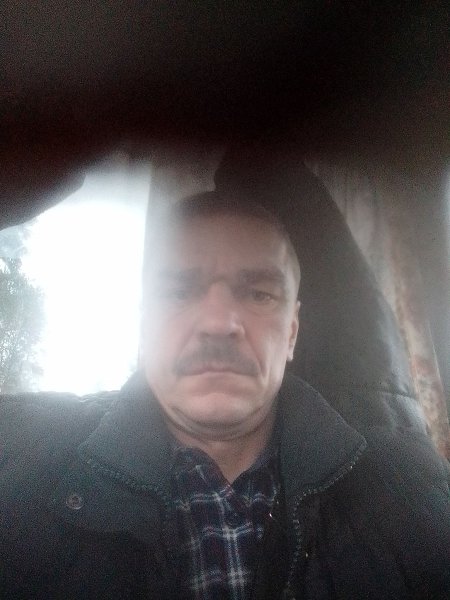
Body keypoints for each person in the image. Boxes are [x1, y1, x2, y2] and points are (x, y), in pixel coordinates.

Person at [0, 191, 449, 600]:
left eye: (259, 294)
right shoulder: (17, 460)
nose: (218, 323)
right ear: (144, 327)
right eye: (179, 292)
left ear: (292, 333)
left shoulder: (410, 490)